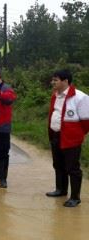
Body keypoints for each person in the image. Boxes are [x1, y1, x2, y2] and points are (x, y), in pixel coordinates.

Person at [46, 70, 89, 207]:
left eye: (56, 80)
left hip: (71, 138)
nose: (53, 82)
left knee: (72, 168)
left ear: (65, 81)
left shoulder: (80, 97)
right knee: (58, 164)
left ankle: (75, 197)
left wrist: (76, 134)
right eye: (52, 80)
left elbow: (86, 122)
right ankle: (61, 189)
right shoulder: (55, 96)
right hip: (56, 135)